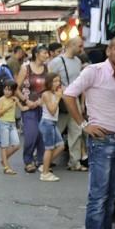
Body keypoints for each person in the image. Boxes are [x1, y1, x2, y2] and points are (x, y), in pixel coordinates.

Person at [63, 32, 115, 229]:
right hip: (101, 142)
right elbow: (68, 94)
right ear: (108, 51)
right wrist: (84, 125)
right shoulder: (94, 71)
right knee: (98, 195)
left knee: (112, 194)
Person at [50, 35, 87, 170]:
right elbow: (49, 80)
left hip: (74, 99)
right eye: (79, 46)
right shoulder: (56, 62)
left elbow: (81, 82)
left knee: (76, 130)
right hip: (61, 100)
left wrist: (82, 102)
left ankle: (74, 161)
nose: (81, 49)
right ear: (71, 45)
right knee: (56, 130)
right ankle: (46, 159)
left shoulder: (78, 61)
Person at [17, 46, 51, 173]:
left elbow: (50, 87)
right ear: (37, 54)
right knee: (32, 134)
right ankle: (28, 160)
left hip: (43, 105)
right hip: (28, 106)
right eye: (44, 52)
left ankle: (41, 160)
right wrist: (26, 101)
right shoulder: (25, 68)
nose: (47, 55)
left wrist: (41, 101)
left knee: (42, 134)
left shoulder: (48, 68)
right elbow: (16, 88)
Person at [38, 72, 67, 181]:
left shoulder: (54, 93)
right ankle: (45, 173)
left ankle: (44, 165)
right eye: (54, 81)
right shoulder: (46, 94)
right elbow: (52, 110)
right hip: (47, 123)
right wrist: (58, 97)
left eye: (58, 80)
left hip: (52, 123)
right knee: (49, 148)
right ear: (49, 82)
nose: (57, 83)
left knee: (60, 146)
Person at [0, 81, 22, 175]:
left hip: (12, 124)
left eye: (9, 90)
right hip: (3, 123)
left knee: (17, 145)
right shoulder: (1, 99)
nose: (7, 92)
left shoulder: (14, 99)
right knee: (4, 146)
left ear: (13, 91)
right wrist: (9, 107)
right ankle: (6, 167)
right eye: (5, 89)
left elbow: (22, 108)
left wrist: (32, 105)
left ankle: (3, 159)